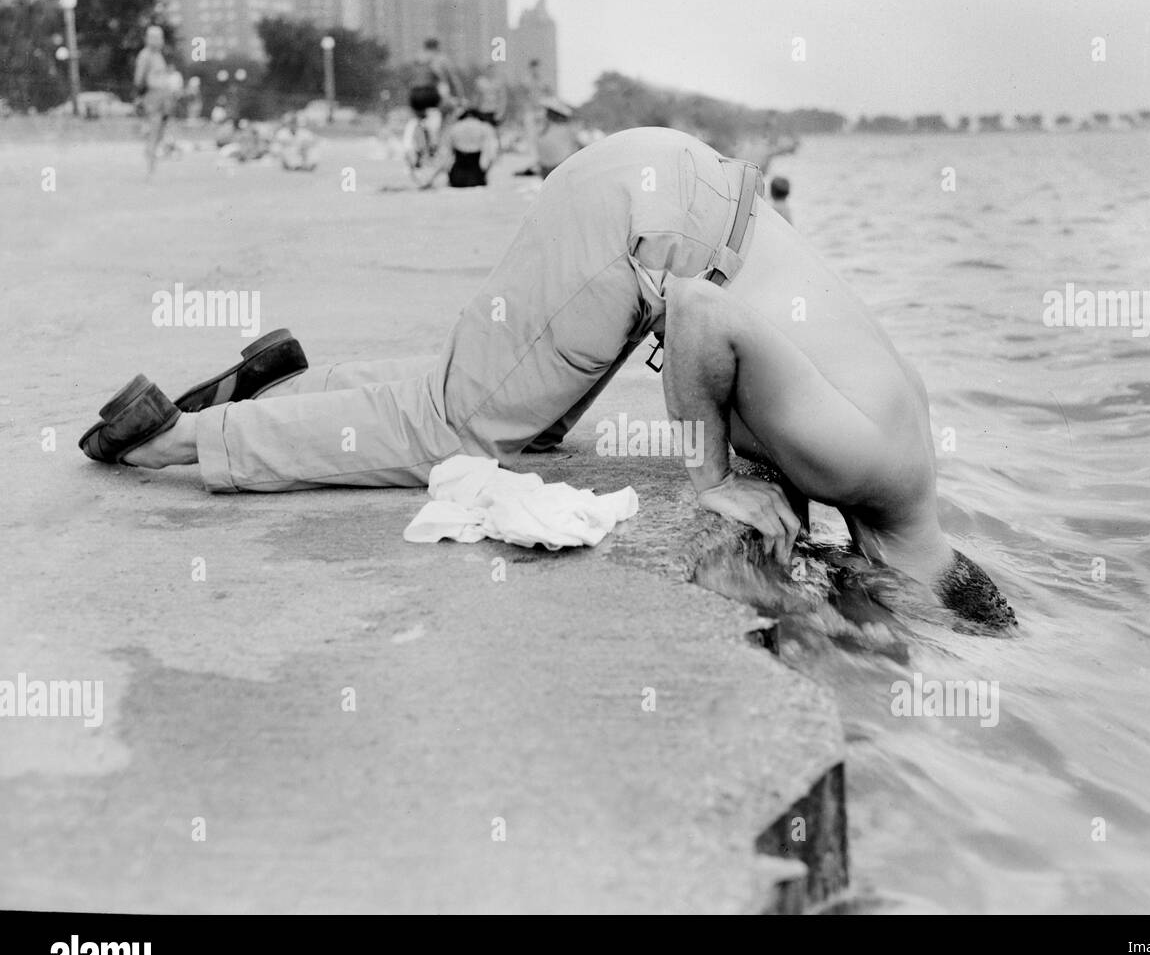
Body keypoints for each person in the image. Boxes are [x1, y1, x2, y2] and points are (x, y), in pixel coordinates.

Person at [78, 127, 1015, 630]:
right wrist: (712, 477)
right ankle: (178, 439)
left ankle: (276, 390)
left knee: (497, 409)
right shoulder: (859, 465)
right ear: (918, 582)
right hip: (644, 233)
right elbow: (701, 314)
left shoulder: (901, 458)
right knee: (453, 434)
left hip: (668, 190)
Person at [133, 25, 175, 175]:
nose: (158, 40)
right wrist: (141, 97)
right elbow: (139, 79)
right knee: (154, 129)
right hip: (152, 95)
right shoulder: (145, 55)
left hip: (162, 96)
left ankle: (152, 160)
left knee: (160, 131)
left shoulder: (158, 55)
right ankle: (150, 166)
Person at [434, 108, 498, 187]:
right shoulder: (484, 127)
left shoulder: (454, 127)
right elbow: (491, 152)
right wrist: (485, 170)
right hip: (476, 176)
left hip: (457, 177)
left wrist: (447, 170)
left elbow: (445, 152)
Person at [534, 98, 582, 179]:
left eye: (547, 112)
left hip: (556, 167)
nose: (544, 114)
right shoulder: (547, 128)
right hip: (550, 167)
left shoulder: (565, 129)